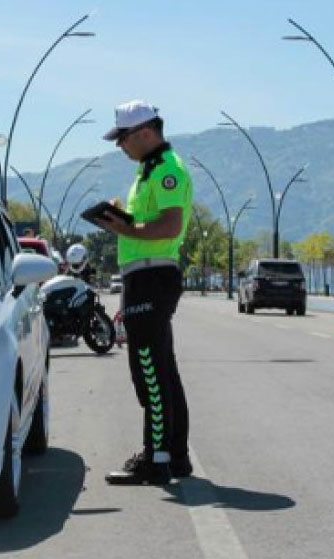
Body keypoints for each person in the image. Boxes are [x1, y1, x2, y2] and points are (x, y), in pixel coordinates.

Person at [94, 100, 193, 485]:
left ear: (146, 133)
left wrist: (125, 229)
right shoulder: (149, 170)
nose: (120, 146)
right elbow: (151, 221)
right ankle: (176, 456)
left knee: (148, 371)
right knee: (164, 370)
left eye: (123, 138)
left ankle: (156, 460)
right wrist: (123, 219)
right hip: (146, 276)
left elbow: (170, 225)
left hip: (152, 278)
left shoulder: (166, 170)